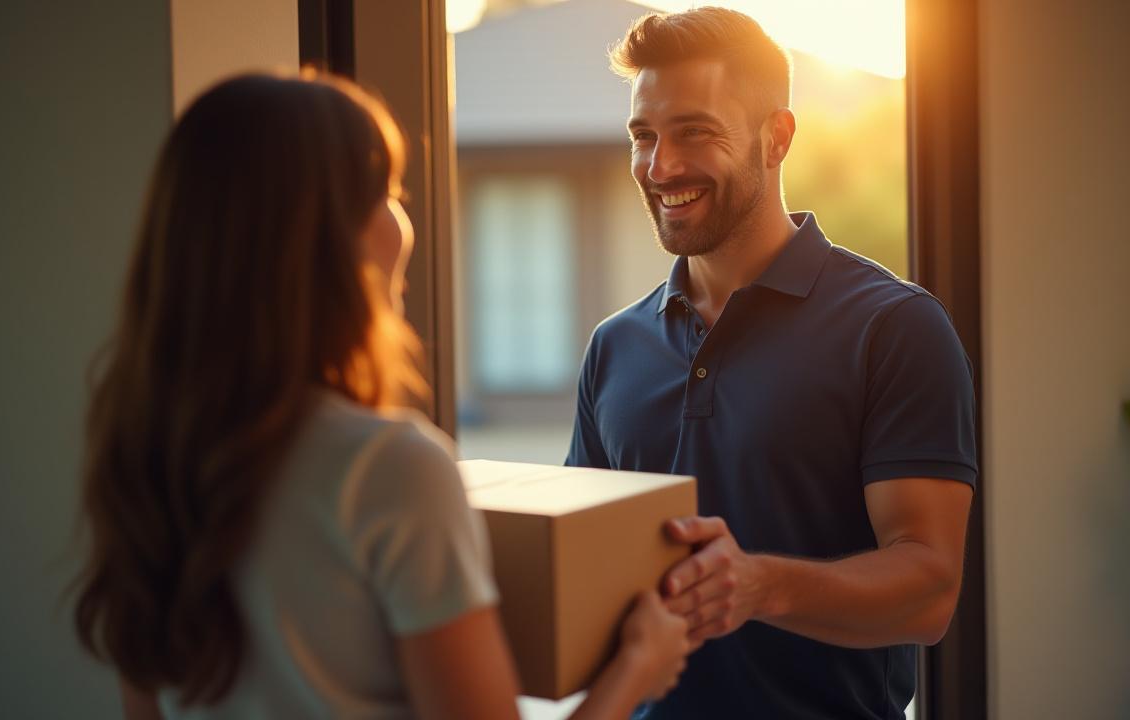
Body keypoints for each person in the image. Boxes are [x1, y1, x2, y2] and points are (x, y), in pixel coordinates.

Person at [71, 71, 689, 720]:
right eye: (390, 192)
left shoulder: (141, 457)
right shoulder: (388, 467)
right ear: (325, 237)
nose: (403, 223)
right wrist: (637, 666)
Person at [565, 8, 977, 719]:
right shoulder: (614, 347)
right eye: (644, 136)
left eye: (694, 132)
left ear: (776, 137)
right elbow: (583, 573)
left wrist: (759, 586)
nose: (661, 167)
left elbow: (930, 592)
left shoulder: (895, 327)